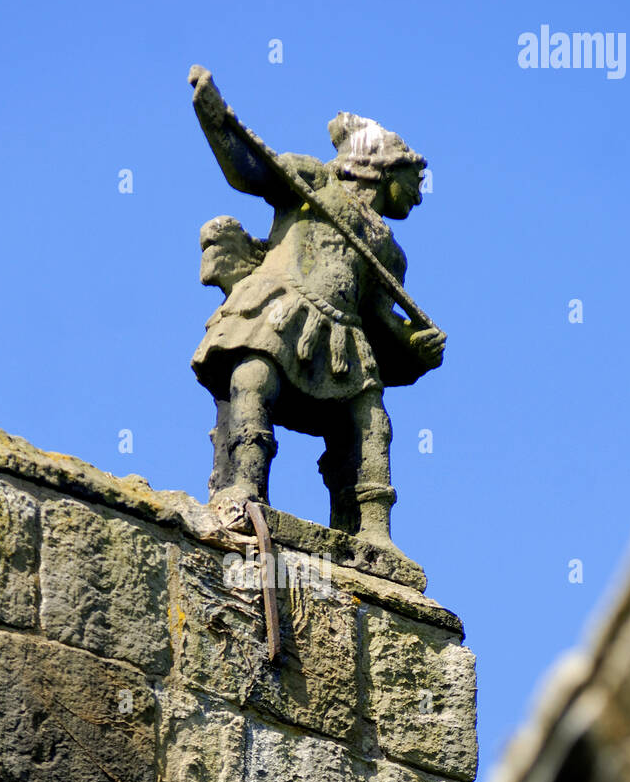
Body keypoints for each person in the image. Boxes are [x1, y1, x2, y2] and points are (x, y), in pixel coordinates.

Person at [189, 65, 445, 546]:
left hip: (344, 335)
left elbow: (378, 317)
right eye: (414, 179)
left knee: (371, 424)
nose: (418, 193)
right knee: (254, 379)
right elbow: (251, 170)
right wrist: (216, 121)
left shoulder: (389, 252)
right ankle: (246, 487)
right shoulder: (315, 183)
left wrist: (414, 346)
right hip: (284, 307)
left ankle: (370, 530)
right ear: (384, 168)